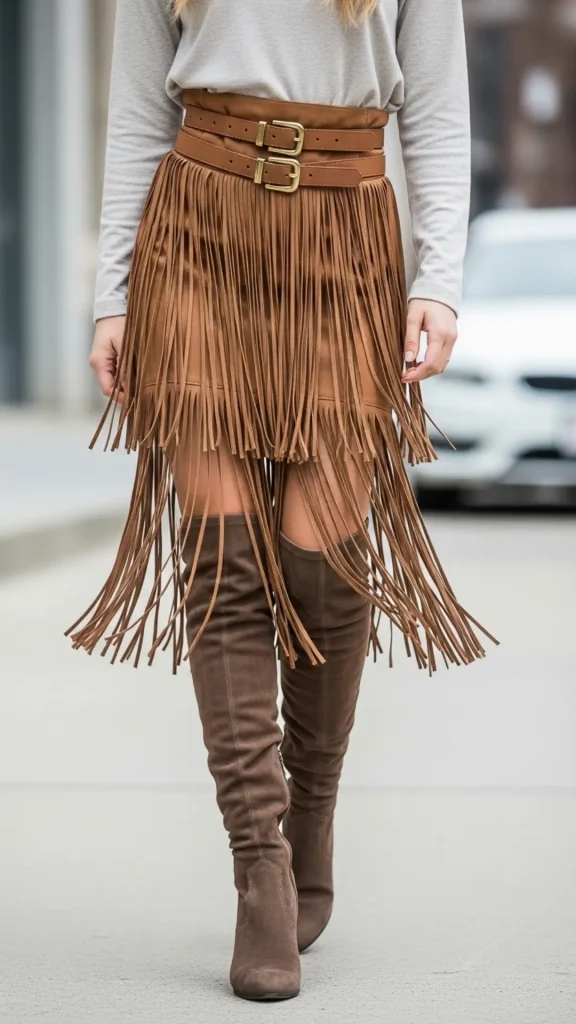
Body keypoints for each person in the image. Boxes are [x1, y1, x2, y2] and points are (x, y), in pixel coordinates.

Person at [67, 0, 495, 1002]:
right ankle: (258, 861)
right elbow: (137, 115)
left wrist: (439, 279)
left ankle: (314, 806)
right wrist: (113, 293)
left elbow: (436, 110)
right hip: (201, 230)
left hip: (347, 233)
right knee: (221, 555)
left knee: (322, 550)